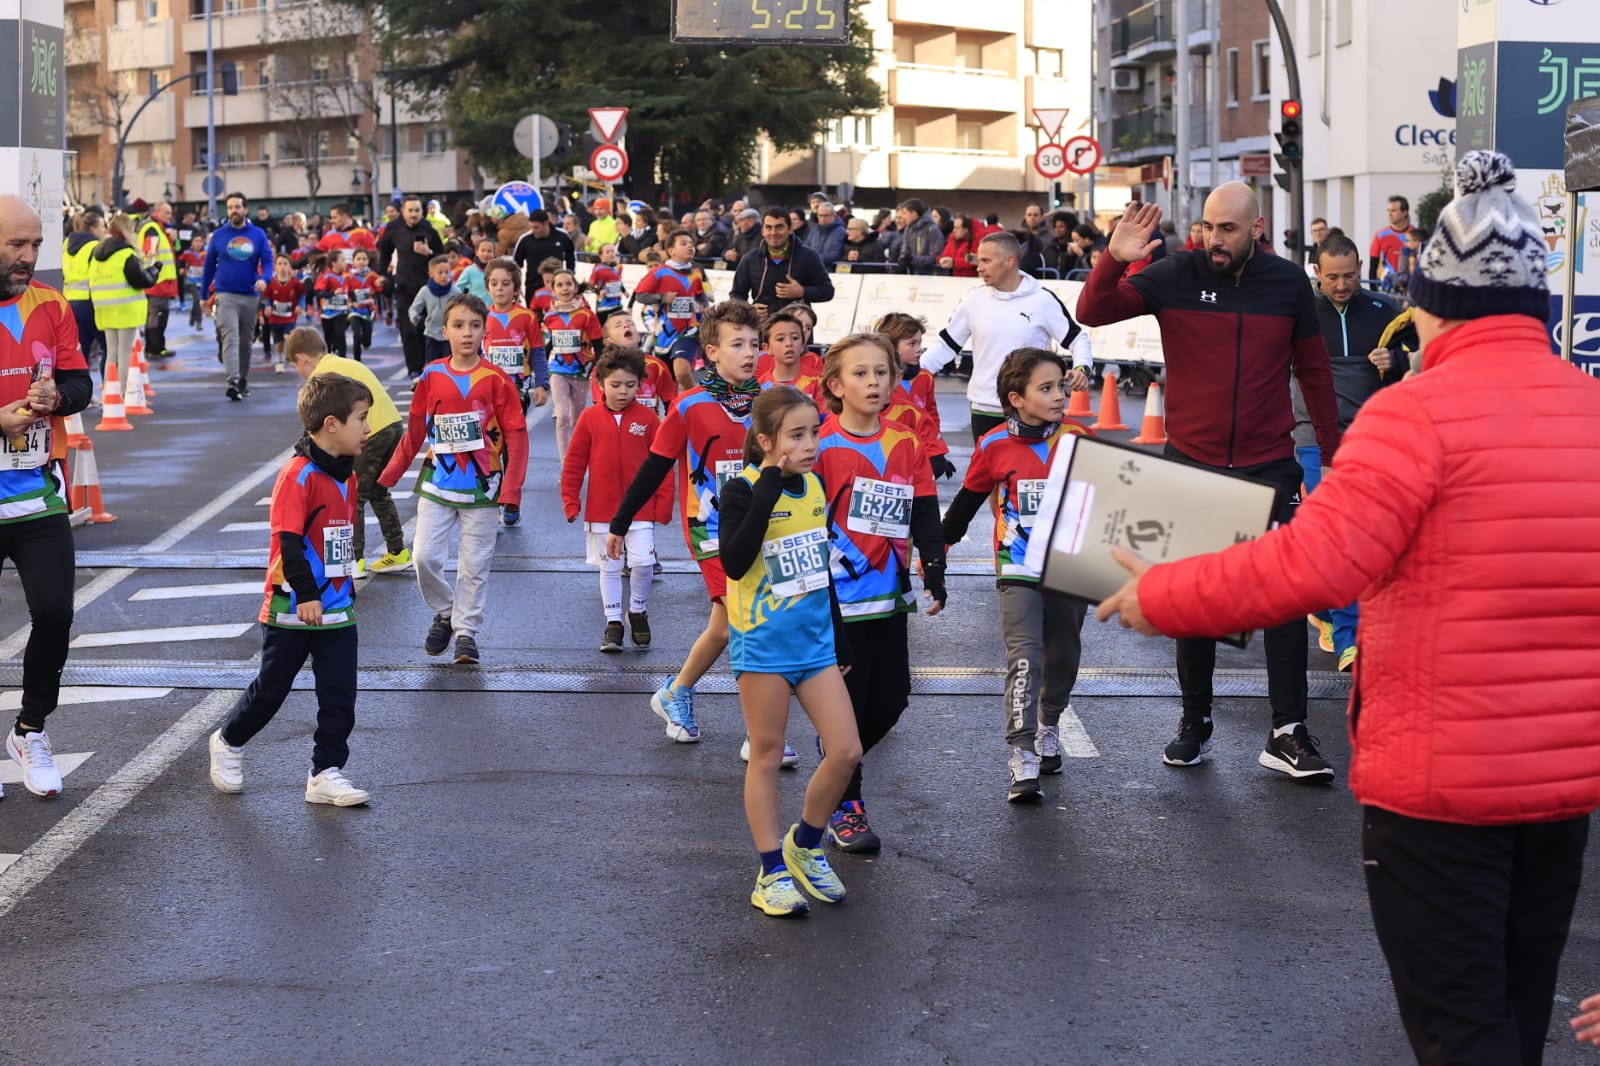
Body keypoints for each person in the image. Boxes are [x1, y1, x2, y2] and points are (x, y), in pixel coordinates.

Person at [1097, 150, 1600, 1066]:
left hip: (1440, 788)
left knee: (1459, 1027)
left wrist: (1163, 592)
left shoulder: (1415, 415)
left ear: (1430, 302)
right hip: (1560, 796)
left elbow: (1315, 564)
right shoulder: (1590, 410)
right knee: (1515, 1017)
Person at [1077, 183, 1342, 778]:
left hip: (1268, 462)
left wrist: (1336, 455)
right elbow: (1092, 312)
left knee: (1282, 599)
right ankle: (1195, 720)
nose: (1213, 239)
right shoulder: (1175, 274)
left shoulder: (1287, 284)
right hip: (1192, 463)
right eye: (1206, 227)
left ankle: (1288, 731)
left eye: (1227, 229)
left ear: (1257, 227)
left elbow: (1314, 372)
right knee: (1191, 599)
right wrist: (1114, 257)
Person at [718, 384, 862, 917]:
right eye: (796, 436)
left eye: (813, 432)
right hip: (763, 647)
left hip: (816, 645)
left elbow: (817, 567)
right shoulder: (742, 489)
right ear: (765, 441)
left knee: (846, 750)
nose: (809, 444)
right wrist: (770, 488)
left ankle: (804, 844)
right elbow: (734, 562)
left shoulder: (817, 488)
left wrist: (839, 634)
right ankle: (770, 872)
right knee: (768, 755)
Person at [605, 301, 770, 747]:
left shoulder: (770, 400)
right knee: (743, 621)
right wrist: (621, 523)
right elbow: (655, 467)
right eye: (737, 344)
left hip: (764, 525)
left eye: (754, 344)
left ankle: (676, 691)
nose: (749, 353)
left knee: (723, 623)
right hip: (711, 529)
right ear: (711, 352)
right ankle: (761, 733)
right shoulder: (689, 405)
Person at [206, 372, 373, 806]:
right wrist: (308, 595)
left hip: (337, 607)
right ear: (331, 425)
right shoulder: (298, 475)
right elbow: (289, 541)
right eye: (362, 419)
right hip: (293, 606)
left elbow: (341, 534)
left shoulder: (348, 476)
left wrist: (347, 582)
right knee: (271, 690)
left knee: (339, 694)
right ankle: (228, 741)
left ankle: (326, 771)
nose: (368, 428)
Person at [811, 333, 946, 849]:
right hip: (834, 605)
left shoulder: (904, 441)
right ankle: (847, 803)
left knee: (891, 701)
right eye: (861, 373)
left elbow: (924, 507)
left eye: (882, 373)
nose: (874, 382)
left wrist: (933, 566)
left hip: (889, 600)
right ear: (835, 385)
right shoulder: (819, 443)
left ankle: (837, 763)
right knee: (848, 705)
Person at [943, 348, 1091, 802]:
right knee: (1024, 655)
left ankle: (1049, 725)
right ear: (1016, 398)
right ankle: (1022, 751)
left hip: (1068, 567)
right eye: (1045, 389)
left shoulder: (1078, 437)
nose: (1059, 395)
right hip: (1018, 566)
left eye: (1060, 386)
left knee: (1063, 652)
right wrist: (933, 553)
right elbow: (965, 505)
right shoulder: (993, 445)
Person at [0, 196, 95, 800]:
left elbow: (81, 380)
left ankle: (30, 730)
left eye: (36, 245)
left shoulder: (52, 305)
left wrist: (56, 400)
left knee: (56, 614)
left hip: (36, 494)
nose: (29, 258)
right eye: (17, 245)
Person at [380, 293, 529, 665]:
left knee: (474, 564)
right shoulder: (431, 375)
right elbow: (415, 429)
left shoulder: (496, 380)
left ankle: (466, 632)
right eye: (459, 326)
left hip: (483, 486)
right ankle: (446, 610)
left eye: (475, 326)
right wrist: (391, 473)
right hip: (438, 481)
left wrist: (512, 488)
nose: (467, 333)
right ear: (444, 331)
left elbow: (517, 434)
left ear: (485, 332)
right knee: (424, 556)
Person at [1297, 233, 1415, 670]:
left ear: (1360, 270)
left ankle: (1330, 610)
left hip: (1371, 440)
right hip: (1312, 440)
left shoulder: (1387, 311)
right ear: (1317, 273)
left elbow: (1426, 354)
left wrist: (1398, 363)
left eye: (1349, 276)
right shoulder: (1301, 313)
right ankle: (1349, 635)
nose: (1342, 285)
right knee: (1333, 537)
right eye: (1333, 277)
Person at [921, 231, 1092, 442]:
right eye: (978, 260)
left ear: (1009, 261)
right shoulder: (973, 299)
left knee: (1029, 474)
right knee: (987, 475)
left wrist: (1082, 367)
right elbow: (946, 345)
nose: (979, 267)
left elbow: (1077, 339)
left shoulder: (1042, 300)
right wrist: (912, 374)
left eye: (986, 260)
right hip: (984, 408)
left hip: (1031, 409)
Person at [561, 346, 672, 653]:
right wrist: (571, 500)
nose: (623, 392)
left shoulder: (649, 419)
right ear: (600, 384)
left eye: (630, 385)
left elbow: (664, 465)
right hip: (601, 510)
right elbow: (574, 463)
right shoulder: (589, 418)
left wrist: (663, 504)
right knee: (609, 566)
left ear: (640, 384)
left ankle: (637, 609)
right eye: (615, 385)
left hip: (641, 510)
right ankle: (613, 623)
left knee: (643, 562)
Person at [284, 327, 410, 576]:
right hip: (392, 425)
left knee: (355, 495)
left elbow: (321, 420)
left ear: (301, 358)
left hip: (370, 431)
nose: (298, 372)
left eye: (295, 365)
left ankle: (355, 559)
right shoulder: (342, 362)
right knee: (377, 491)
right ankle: (397, 551)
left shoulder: (323, 376)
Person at [201, 192, 273, 402]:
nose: (234, 211)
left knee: (245, 340)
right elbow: (208, 267)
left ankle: (242, 378)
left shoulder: (258, 234)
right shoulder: (219, 236)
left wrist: (265, 279)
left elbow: (268, 261)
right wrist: (204, 294)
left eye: (237, 207)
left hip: (250, 295)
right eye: (230, 207)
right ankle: (232, 381)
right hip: (226, 294)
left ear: (245, 209)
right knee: (229, 336)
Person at [89, 212, 160, 395]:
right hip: (126, 308)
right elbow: (141, 280)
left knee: (111, 354)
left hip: (104, 308)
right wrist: (154, 270)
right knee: (124, 354)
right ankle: (121, 395)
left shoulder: (96, 253)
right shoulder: (126, 254)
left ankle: (109, 393)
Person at [876, 312, 953, 479]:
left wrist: (937, 451)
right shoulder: (882, 380)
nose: (919, 349)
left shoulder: (925, 377)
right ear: (891, 346)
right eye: (912, 344)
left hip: (920, 446)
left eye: (920, 343)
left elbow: (931, 414)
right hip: (892, 446)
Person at [377, 195, 446, 380]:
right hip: (403, 285)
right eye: (411, 210)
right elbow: (384, 251)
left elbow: (442, 256)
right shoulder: (393, 228)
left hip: (426, 287)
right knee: (408, 329)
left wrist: (429, 253)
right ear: (403, 212)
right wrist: (382, 273)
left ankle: (426, 366)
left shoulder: (428, 229)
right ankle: (413, 369)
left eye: (417, 210)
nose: (414, 214)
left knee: (424, 328)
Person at [729, 208, 834, 317]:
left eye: (779, 227)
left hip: (797, 328)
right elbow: (736, 295)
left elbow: (827, 291)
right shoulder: (750, 259)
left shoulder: (809, 256)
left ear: (790, 229)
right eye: (768, 228)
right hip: (761, 328)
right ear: (762, 231)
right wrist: (749, 310)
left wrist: (802, 292)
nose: (773, 233)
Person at [482, 257, 549, 412]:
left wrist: (541, 384)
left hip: (519, 385)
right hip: (489, 384)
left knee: (515, 430)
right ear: (487, 288)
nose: (499, 288)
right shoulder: (481, 316)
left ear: (516, 289)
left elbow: (538, 352)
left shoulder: (528, 317)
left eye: (505, 284)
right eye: (494, 284)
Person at [62, 210, 105, 380]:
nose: (104, 230)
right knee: (108, 347)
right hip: (90, 303)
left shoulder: (67, 244)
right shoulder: (96, 246)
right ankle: (110, 391)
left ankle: (84, 396)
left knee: (81, 352)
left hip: (71, 302)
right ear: (93, 228)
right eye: (102, 226)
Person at [136, 202, 178, 358]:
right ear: (157, 212)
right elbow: (150, 251)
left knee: (156, 314)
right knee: (158, 315)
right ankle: (155, 348)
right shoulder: (152, 228)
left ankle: (155, 347)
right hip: (158, 281)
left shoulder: (156, 228)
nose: (169, 216)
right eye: (166, 213)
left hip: (157, 280)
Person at [754, 311, 822, 403]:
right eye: (780, 339)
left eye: (795, 338)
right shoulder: (759, 387)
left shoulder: (819, 381)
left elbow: (826, 416)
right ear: (767, 348)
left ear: (802, 345)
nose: (789, 344)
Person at [409, 254, 458, 368]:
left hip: (449, 335)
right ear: (431, 274)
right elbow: (413, 308)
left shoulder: (455, 291)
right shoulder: (425, 291)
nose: (444, 276)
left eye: (447, 272)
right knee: (433, 365)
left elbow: (463, 309)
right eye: (440, 273)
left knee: (448, 365)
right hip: (431, 334)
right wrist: (415, 318)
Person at [260, 256, 304, 373]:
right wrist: (268, 306)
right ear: (275, 266)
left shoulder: (295, 282)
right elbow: (267, 296)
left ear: (290, 266)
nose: (282, 267)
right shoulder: (271, 282)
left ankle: (288, 354)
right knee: (278, 342)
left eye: (285, 264)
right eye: (279, 264)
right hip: (275, 317)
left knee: (288, 337)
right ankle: (279, 361)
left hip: (290, 316)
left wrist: (300, 305)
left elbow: (302, 295)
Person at [314, 249, 351, 357]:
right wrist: (332, 293)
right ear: (334, 263)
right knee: (328, 337)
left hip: (342, 310)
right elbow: (319, 293)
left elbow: (353, 290)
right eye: (342, 260)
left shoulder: (347, 276)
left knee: (340, 333)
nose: (345, 263)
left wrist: (352, 300)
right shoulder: (326, 276)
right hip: (328, 312)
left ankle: (343, 357)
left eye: (345, 260)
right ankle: (328, 357)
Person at [1370, 194, 1412, 288]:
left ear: (1404, 212)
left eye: (1394, 210)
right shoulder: (1379, 235)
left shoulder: (1415, 235)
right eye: (1388, 210)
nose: (1389, 214)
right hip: (1386, 286)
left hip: (1410, 288)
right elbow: (1373, 267)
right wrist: (1373, 291)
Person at [894, 198, 945, 276]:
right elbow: (905, 249)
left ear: (914, 214)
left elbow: (935, 257)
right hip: (913, 275)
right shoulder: (908, 229)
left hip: (931, 277)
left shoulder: (932, 230)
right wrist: (902, 259)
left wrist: (912, 260)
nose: (903, 217)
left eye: (905, 213)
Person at [346, 248, 379, 361]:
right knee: (356, 334)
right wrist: (350, 301)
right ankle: (357, 360)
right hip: (354, 310)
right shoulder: (349, 276)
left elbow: (379, 289)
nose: (361, 262)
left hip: (368, 310)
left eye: (364, 259)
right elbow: (346, 291)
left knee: (367, 341)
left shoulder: (372, 275)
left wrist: (380, 284)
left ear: (368, 261)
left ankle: (365, 344)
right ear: (353, 262)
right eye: (358, 259)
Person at [589, 242, 627, 322]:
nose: (611, 254)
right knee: (604, 329)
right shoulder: (598, 269)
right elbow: (590, 285)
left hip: (617, 304)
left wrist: (624, 291)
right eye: (607, 252)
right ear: (601, 256)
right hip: (604, 306)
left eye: (612, 251)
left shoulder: (617, 267)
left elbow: (618, 281)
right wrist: (599, 291)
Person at [802, 201, 845, 268]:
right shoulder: (814, 231)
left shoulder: (840, 231)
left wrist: (813, 259)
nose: (823, 218)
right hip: (812, 269)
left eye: (826, 215)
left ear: (833, 215)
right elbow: (805, 248)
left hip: (830, 270)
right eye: (820, 215)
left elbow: (836, 254)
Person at [178, 233, 207, 332]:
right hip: (190, 281)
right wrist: (181, 268)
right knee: (198, 299)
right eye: (196, 241)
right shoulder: (187, 253)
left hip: (202, 282)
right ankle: (199, 322)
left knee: (198, 301)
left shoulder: (206, 253)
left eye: (200, 241)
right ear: (192, 243)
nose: (198, 244)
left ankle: (193, 315)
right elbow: (180, 261)